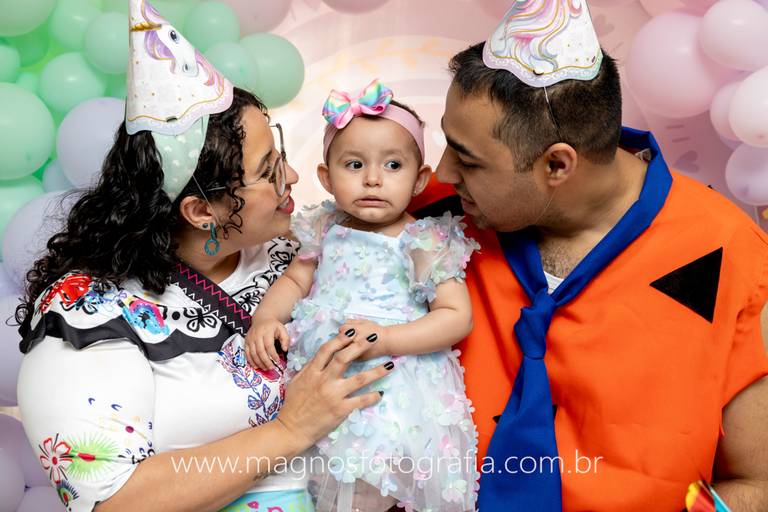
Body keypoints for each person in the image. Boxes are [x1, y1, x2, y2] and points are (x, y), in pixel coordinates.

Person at [14, 2, 392, 511]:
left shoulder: (298, 255)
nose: (292, 178)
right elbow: (114, 501)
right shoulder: (87, 313)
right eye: (268, 170)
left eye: (280, 157)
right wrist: (291, 429)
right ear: (200, 211)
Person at [409, 1, 768, 511]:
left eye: (467, 159)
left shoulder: (728, 253)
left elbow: (757, 484)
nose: (444, 172)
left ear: (558, 165)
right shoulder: (424, 221)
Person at [246, 80, 479, 512]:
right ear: (326, 177)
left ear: (419, 180)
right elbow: (295, 281)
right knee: (315, 477)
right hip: (322, 381)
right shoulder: (323, 227)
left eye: (393, 165)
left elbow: (454, 315)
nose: (373, 179)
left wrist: (387, 339)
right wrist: (266, 317)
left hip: (392, 385)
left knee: (374, 483)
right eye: (354, 165)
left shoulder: (422, 239)